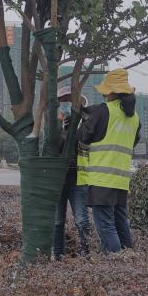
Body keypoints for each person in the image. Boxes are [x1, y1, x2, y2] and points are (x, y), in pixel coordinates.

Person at [78, 68, 141, 254]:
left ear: (112, 92)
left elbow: (82, 136)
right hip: (121, 180)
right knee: (121, 225)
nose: (104, 94)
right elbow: (134, 141)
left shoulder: (103, 111)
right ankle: (129, 260)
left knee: (106, 227)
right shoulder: (135, 118)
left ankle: (117, 266)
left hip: (102, 180)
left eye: (106, 90)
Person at [53, 86, 90, 259]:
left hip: (78, 177)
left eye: (70, 101)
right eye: (64, 101)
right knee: (57, 221)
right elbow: (51, 149)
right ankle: (58, 254)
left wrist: (75, 130)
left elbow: (88, 147)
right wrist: (61, 131)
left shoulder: (86, 124)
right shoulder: (52, 126)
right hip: (58, 178)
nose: (67, 104)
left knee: (81, 220)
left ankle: (85, 253)